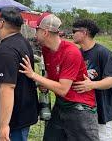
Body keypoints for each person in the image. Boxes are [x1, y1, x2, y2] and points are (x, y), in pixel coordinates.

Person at [20, 13, 99, 141]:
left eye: (37, 30)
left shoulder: (71, 52)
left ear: (45, 32)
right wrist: (44, 82)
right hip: (61, 105)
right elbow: (50, 74)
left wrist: (33, 75)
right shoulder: (46, 49)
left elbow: (63, 89)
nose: (35, 33)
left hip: (80, 109)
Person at [0, 7, 38, 141]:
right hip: (20, 114)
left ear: (1, 23)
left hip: (13, 122)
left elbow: (7, 88)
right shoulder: (22, 42)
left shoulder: (6, 51)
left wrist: (4, 125)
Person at [71, 19, 112, 141]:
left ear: (84, 32)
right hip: (82, 110)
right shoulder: (77, 53)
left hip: (101, 110)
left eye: (74, 31)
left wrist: (92, 85)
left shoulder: (103, 53)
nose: (72, 34)